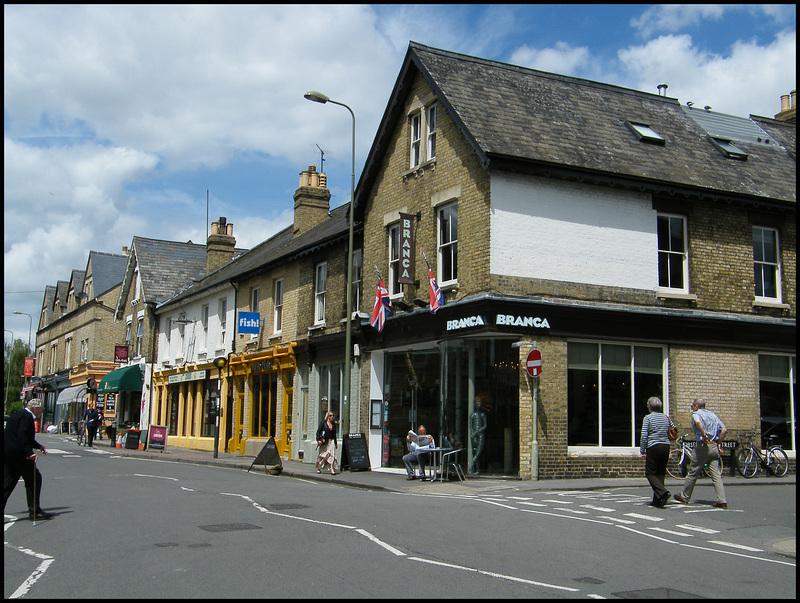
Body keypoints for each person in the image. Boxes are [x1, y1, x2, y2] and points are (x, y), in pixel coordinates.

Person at [674, 398, 728, 509]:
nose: (692, 408)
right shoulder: (713, 415)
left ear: (696, 406)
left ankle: (685, 497)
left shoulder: (696, 414)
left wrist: (703, 434)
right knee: (716, 475)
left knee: (693, 472)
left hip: (703, 446)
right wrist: (719, 443)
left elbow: (698, 422)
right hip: (714, 446)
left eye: (692, 406)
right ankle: (722, 500)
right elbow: (724, 430)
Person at [3, 399, 53, 521]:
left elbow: (23, 436)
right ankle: (34, 511)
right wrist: (29, 452)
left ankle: (35, 510)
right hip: (19, 454)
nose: (42, 410)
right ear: (35, 408)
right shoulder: (27, 417)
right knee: (34, 479)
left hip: (8, 453)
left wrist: (38, 446)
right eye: (41, 408)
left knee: (8, 483)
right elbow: (22, 435)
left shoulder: (17, 414)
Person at [639, 396, 672, 507]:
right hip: (666, 446)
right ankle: (658, 500)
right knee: (660, 472)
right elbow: (673, 428)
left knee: (650, 473)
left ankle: (662, 493)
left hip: (654, 446)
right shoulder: (666, 417)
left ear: (649, 407)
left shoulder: (648, 418)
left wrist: (642, 449)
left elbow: (644, 435)